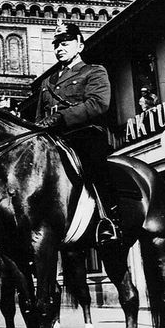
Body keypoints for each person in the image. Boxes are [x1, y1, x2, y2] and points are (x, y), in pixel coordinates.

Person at [35, 19, 118, 246]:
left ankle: (107, 220)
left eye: (65, 42)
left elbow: (98, 104)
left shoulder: (93, 71)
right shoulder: (47, 82)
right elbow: (38, 119)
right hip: (52, 138)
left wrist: (61, 118)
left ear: (80, 45)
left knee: (92, 166)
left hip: (84, 134)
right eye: (56, 44)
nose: (59, 48)